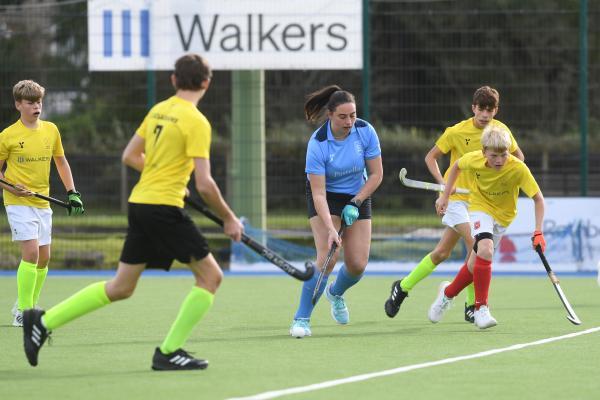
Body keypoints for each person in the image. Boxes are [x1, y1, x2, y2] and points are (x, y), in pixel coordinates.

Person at [22, 54, 244, 370]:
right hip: (163, 208)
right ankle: (169, 351)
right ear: (206, 82)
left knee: (121, 287)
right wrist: (229, 218)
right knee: (211, 276)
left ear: (173, 80)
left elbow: (130, 155)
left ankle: (42, 322)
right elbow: (206, 184)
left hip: (140, 204)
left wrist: (164, 176)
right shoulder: (196, 121)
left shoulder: (159, 110)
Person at [384, 86, 524, 323]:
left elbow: (518, 158)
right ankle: (473, 306)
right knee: (477, 246)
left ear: (496, 110)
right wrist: (443, 187)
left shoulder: (501, 132)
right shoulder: (457, 131)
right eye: (481, 109)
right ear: (473, 108)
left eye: (490, 110)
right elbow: (431, 157)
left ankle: (403, 286)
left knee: (441, 253)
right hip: (457, 200)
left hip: (481, 202)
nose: (485, 115)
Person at [428, 124, 545, 329]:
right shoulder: (474, 159)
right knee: (485, 249)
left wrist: (538, 232)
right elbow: (455, 167)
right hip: (480, 208)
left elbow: (538, 199)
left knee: (475, 265)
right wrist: (445, 196)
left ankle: (447, 294)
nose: (499, 160)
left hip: (504, 217)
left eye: (504, 154)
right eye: (494, 156)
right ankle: (481, 308)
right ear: (484, 152)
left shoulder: (518, 168)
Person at [289, 85, 383, 338]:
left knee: (357, 265)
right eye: (343, 116)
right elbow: (318, 193)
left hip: (357, 193)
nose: (349, 121)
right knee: (329, 257)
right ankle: (301, 319)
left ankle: (335, 293)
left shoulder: (365, 131)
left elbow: (376, 174)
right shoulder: (318, 144)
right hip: (325, 196)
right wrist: (331, 229)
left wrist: (356, 201)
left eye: (352, 115)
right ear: (329, 115)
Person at [0, 80, 84, 328]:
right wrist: (11, 187)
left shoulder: (51, 130)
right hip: (17, 202)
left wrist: (72, 193)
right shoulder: (7, 136)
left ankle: (29, 305)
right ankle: (24, 313)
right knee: (31, 252)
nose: (36, 106)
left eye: (39, 102)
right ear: (18, 105)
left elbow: (61, 162)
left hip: (41, 201)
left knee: (45, 258)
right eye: (30, 102)